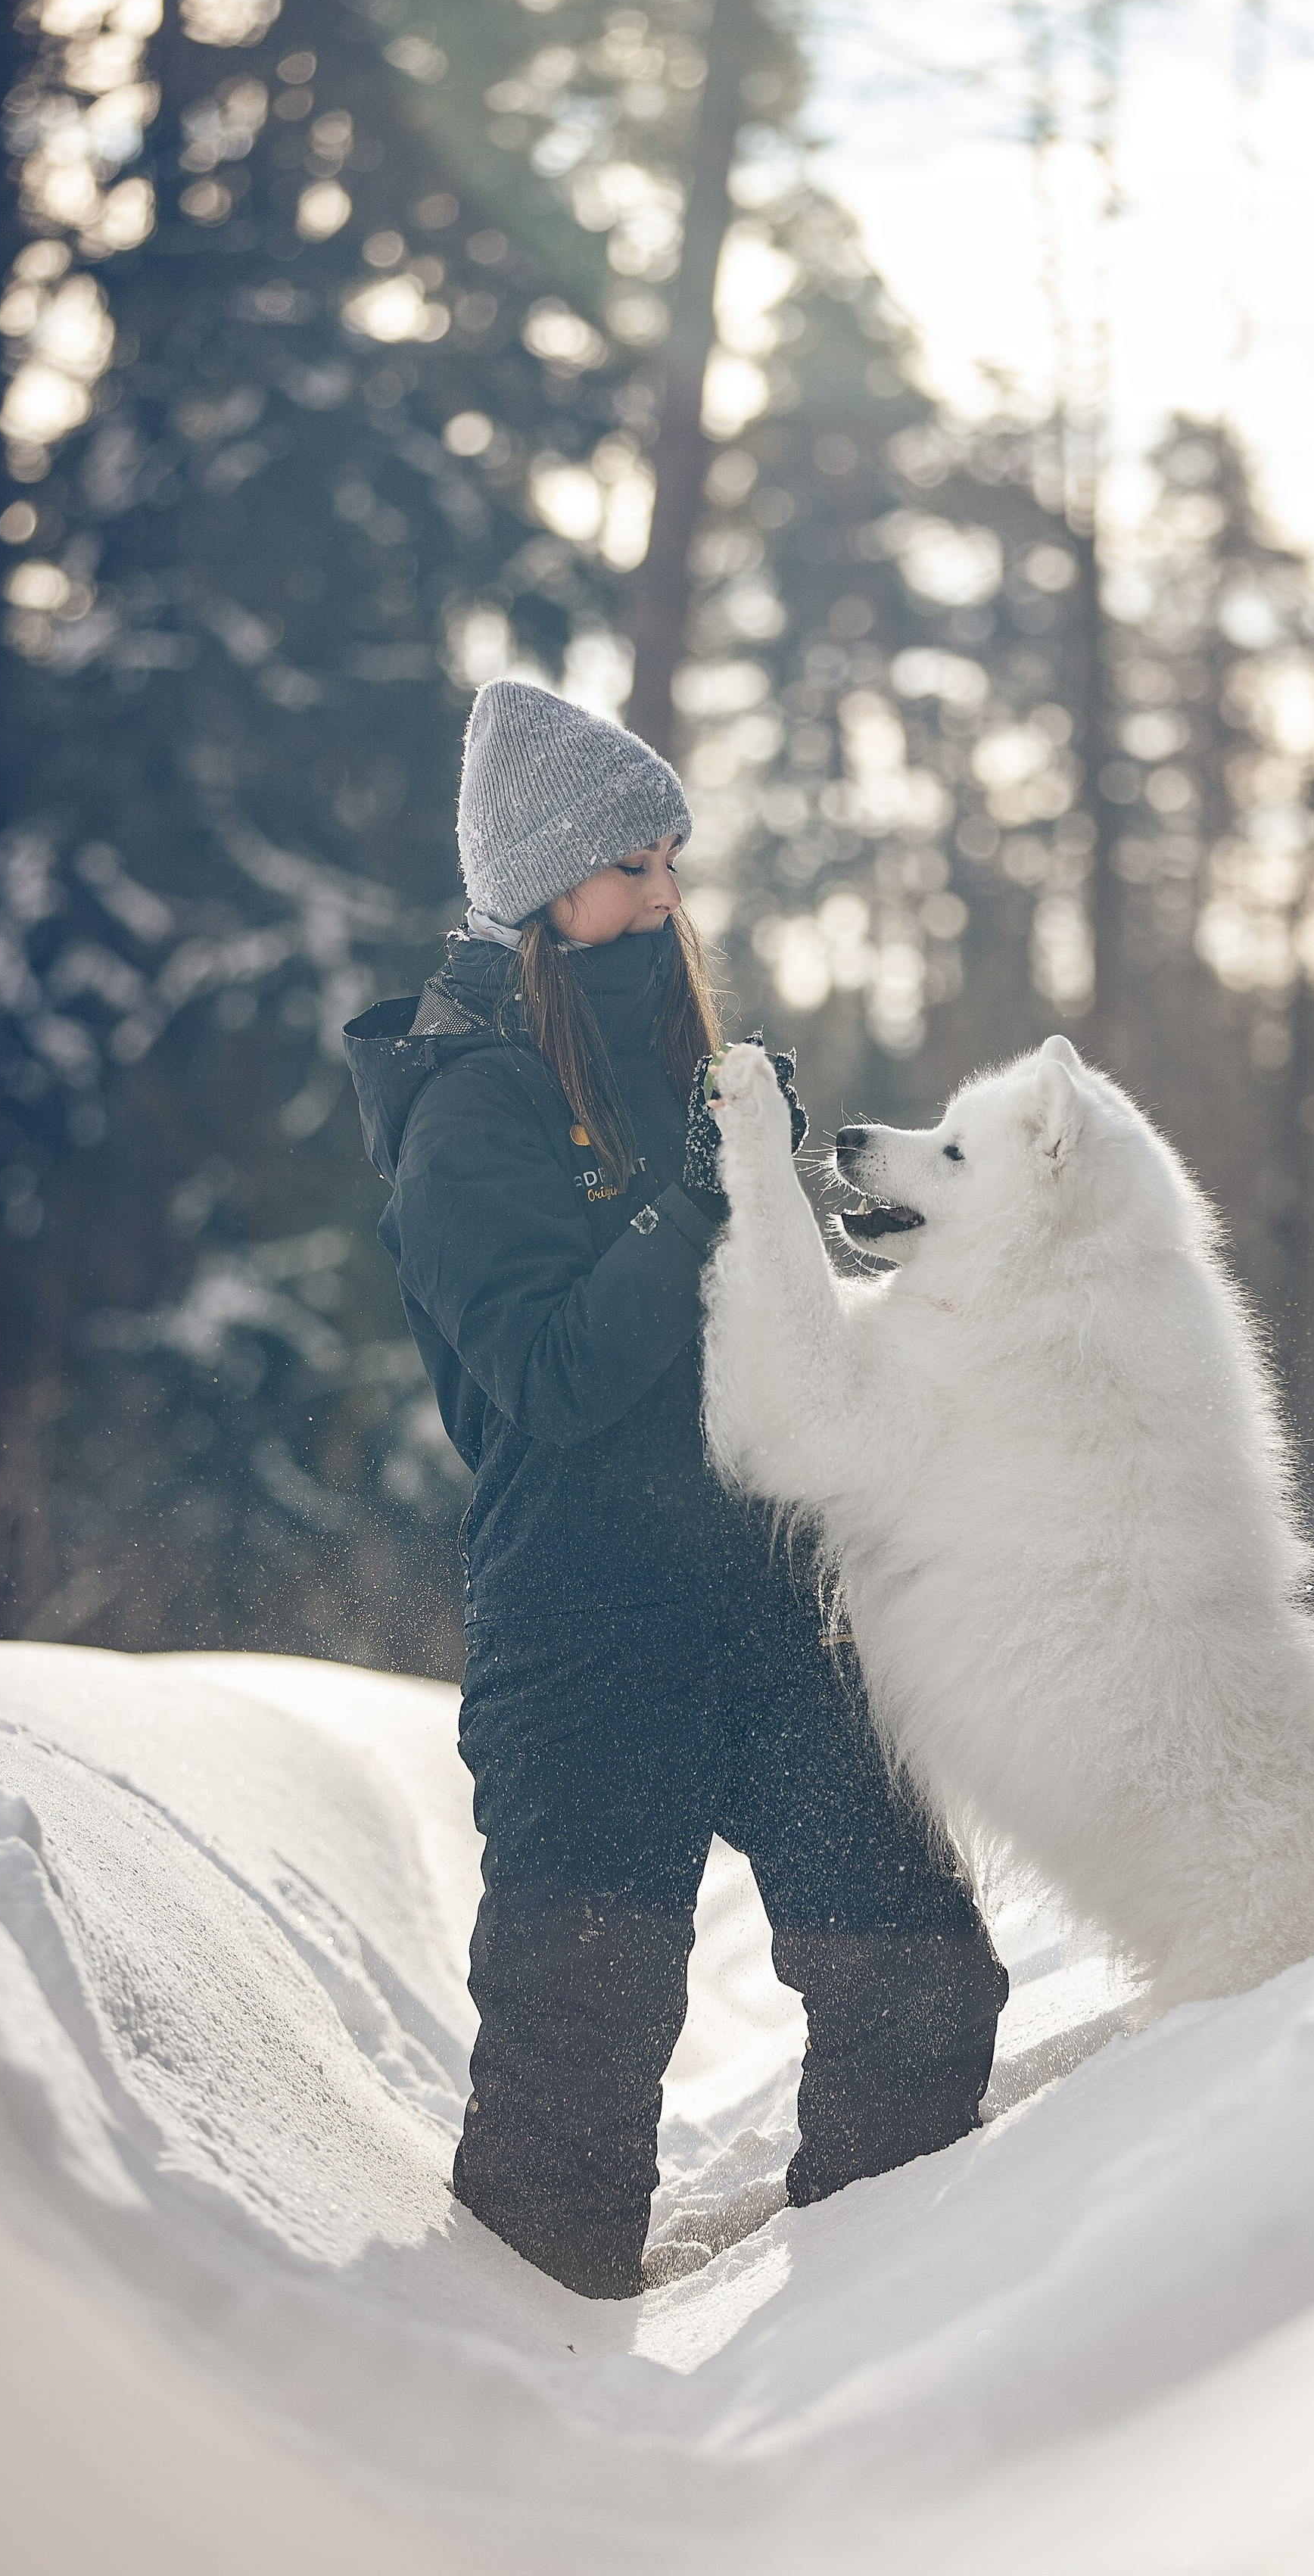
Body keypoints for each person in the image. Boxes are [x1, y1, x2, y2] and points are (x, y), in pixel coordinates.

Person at [344, 678, 1007, 2298]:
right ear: (534, 887)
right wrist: (699, 1192)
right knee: (569, 2104)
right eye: (627, 865)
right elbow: (555, 1380)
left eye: (665, 860)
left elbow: (757, 1312)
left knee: (922, 1988)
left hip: (771, 1600)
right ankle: (504, 2455)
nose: (663, 895)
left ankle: (858, 2339)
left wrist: (821, 1226)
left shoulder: (672, 1057)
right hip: (581, 1637)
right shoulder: (463, 1111)